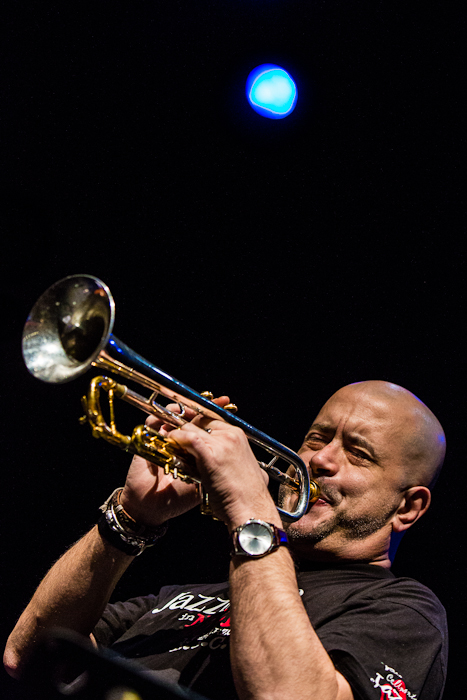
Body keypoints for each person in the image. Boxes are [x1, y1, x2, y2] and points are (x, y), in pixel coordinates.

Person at [4, 380, 448, 700]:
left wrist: (251, 508)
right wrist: (133, 517)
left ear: (407, 507)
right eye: (316, 437)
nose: (319, 460)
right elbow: (28, 656)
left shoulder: (405, 612)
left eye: (358, 453)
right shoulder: (185, 596)